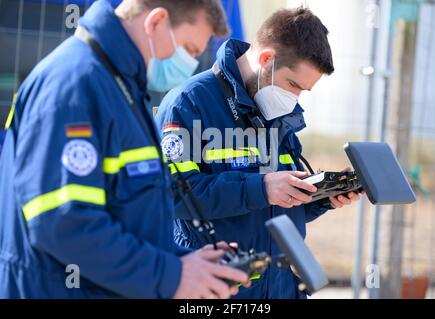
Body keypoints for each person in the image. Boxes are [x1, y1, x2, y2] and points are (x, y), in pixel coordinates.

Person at [0, 0, 248, 299]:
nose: (191, 66)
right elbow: (63, 223)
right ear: (156, 22)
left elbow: (125, 216)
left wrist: (183, 261)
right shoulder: (75, 85)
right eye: (189, 50)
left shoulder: (121, 87)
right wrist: (171, 275)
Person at [155, 7, 361, 299]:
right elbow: (173, 196)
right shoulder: (188, 103)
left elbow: (276, 206)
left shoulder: (278, 112)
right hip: (214, 287)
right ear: (266, 60)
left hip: (280, 286)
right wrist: (262, 188)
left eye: (303, 91)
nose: (294, 99)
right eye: (293, 85)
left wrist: (320, 197)